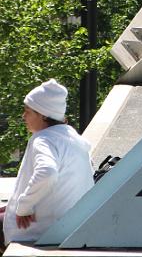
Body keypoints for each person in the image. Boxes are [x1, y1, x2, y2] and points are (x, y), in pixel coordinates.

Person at [2, 79, 94, 246]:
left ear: (43, 114)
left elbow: (47, 172)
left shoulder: (44, 139)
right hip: (68, 228)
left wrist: (23, 207)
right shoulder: (73, 138)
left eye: (28, 111)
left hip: (38, 231)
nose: (24, 116)